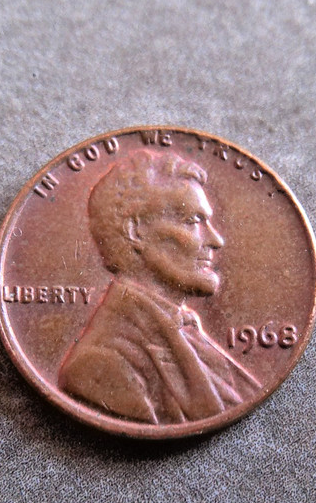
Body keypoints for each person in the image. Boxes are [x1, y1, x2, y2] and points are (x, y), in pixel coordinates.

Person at [58, 149, 261, 424]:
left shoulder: (184, 330)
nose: (216, 240)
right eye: (192, 221)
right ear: (135, 231)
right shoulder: (100, 364)